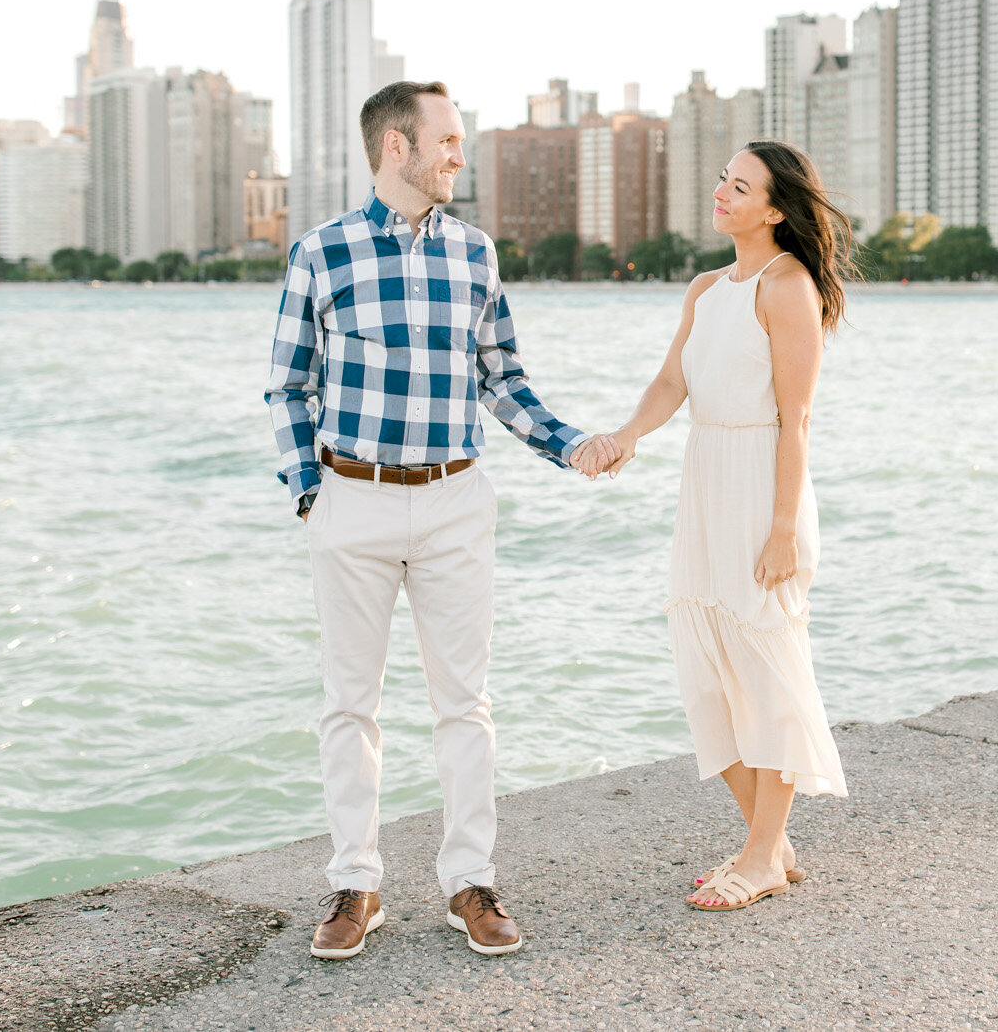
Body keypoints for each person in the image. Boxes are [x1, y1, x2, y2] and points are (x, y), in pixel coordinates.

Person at [265, 80, 617, 960]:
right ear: (397, 146)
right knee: (351, 704)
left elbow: (503, 379)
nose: (460, 155)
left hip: (459, 498)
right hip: (353, 497)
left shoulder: (475, 252)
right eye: (448, 141)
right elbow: (286, 383)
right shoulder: (322, 252)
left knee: (466, 702)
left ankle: (470, 881)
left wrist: (570, 445)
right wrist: (312, 491)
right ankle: (356, 882)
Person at [577, 138, 852, 912]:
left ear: (774, 208)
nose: (724, 192)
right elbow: (673, 380)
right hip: (705, 484)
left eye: (742, 185)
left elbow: (796, 421)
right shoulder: (705, 288)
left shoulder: (786, 284)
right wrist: (626, 436)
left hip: (764, 486)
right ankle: (772, 840)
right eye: (724, 180)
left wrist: (782, 530)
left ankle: (762, 855)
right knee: (709, 669)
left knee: (767, 668)